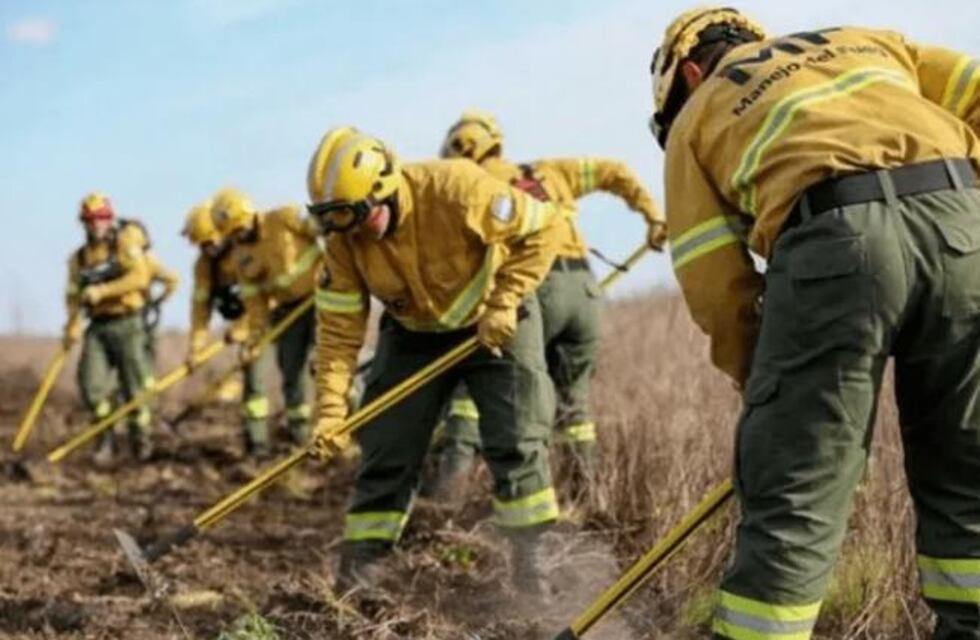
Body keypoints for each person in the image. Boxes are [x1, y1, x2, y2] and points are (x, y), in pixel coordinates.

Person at [649, 7, 980, 638]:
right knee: (970, 462)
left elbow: (715, 283)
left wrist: (769, 391)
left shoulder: (696, 114)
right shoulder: (869, 39)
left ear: (689, 73)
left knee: (794, 500)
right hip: (965, 226)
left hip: (834, 244)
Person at [306, 126, 564, 594]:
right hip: (413, 334)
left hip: (493, 319)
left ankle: (533, 569)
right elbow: (339, 333)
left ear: (383, 191)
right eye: (333, 221)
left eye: (353, 218)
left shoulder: (458, 188)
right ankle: (361, 574)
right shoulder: (343, 240)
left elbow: (546, 226)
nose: (346, 234)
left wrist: (506, 300)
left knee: (517, 437)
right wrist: (329, 412)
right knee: (386, 443)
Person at [431, 110, 668, 498]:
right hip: (585, 294)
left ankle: (449, 492)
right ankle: (589, 495)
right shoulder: (550, 171)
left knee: (476, 383)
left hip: (536, 289)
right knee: (574, 405)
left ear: (459, 150)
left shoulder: (470, 183)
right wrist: (653, 216)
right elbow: (616, 171)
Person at [211, 188, 322, 446]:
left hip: (322, 299)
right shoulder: (241, 256)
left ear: (248, 215)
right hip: (286, 312)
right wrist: (256, 336)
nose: (238, 236)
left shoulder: (284, 217)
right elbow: (255, 302)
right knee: (291, 374)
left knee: (328, 365)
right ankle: (301, 439)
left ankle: (360, 427)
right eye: (233, 234)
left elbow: (323, 232)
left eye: (239, 228)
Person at [63, 193, 156, 464]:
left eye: (101, 219)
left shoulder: (125, 244)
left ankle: (142, 441)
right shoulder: (79, 259)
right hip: (98, 327)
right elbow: (72, 294)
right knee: (91, 385)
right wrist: (71, 324)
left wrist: (102, 291)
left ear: (110, 218)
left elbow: (140, 277)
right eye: (91, 220)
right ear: (84, 223)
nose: (97, 225)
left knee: (134, 389)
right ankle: (105, 440)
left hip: (128, 322)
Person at [182, 200, 272, 457]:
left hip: (272, 316)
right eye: (201, 245)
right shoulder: (204, 266)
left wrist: (244, 328)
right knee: (253, 381)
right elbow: (200, 309)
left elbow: (265, 294)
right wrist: (196, 349)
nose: (207, 249)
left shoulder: (245, 251)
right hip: (248, 326)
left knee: (301, 371)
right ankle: (257, 445)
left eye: (209, 242)